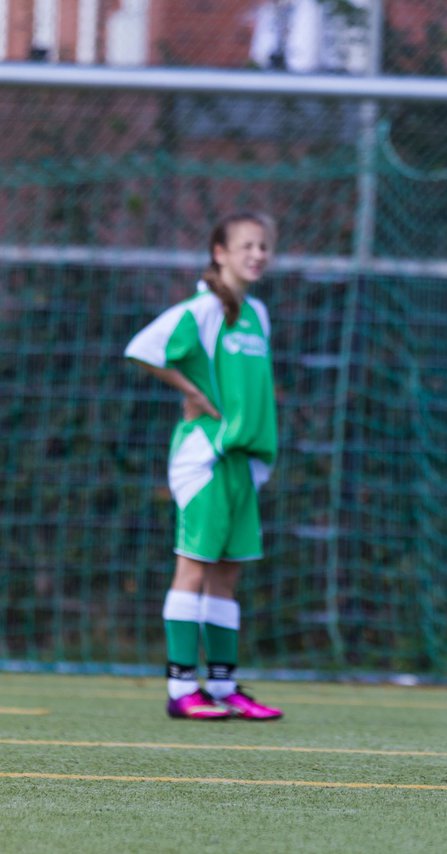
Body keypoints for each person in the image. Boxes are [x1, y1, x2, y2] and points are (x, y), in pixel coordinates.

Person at [125, 211, 285, 722]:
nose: (258, 254)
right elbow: (143, 350)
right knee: (192, 568)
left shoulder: (256, 312)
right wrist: (190, 390)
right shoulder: (202, 309)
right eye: (247, 246)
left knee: (226, 575)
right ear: (219, 252)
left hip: (242, 461)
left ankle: (221, 685)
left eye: (263, 246)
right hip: (206, 456)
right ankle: (179, 687)